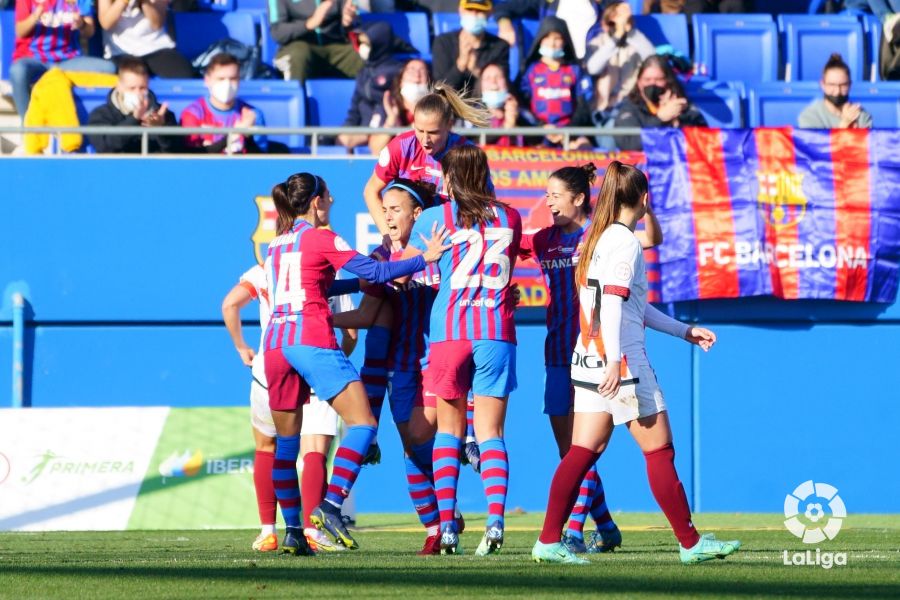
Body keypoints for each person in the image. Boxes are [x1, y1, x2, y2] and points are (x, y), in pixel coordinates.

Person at [531, 161, 741, 565]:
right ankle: (691, 543)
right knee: (659, 449)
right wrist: (615, 361)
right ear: (644, 199)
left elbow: (632, 307)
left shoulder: (599, 238)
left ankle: (547, 540)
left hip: (587, 358)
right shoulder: (624, 242)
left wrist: (684, 331)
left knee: (581, 451)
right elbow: (611, 303)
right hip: (620, 362)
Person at [263, 172, 450, 555]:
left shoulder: (277, 245)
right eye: (328, 197)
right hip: (310, 338)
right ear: (316, 202)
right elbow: (377, 271)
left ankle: (293, 532)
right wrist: (425, 259)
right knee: (363, 425)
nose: (332, 203)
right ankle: (331, 507)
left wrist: (359, 285)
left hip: (274, 345)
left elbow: (321, 284)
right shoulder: (322, 236)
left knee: (286, 444)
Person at [519, 163, 662, 554]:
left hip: (593, 352)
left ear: (580, 198)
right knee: (573, 453)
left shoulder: (598, 238)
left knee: (583, 450)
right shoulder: (543, 239)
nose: (547, 201)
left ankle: (574, 531)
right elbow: (496, 254)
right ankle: (606, 525)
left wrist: (646, 206)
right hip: (556, 352)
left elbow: (651, 238)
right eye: (546, 194)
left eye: (555, 194)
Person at [399, 145, 522, 556]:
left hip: (450, 330)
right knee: (491, 433)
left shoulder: (435, 218)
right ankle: (495, 522)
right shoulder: (510, 216)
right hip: (495, 331)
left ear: (451, 179)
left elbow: (405, 265)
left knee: (449, 431)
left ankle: (447, 527)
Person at [332, 179, 450, 555]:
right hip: (401, 362)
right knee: (412, 446)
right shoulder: (379, 257)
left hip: (438, 357)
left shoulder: (442, 249)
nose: (387, 215)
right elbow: (369, 312)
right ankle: (437, 527)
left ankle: (448, 506)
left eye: (395, 209)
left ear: (418, 213)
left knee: (423, 434)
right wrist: (319, 311)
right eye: (384, 209)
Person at [221, 255, 358, 553]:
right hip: (318, 366)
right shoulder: (328, 268)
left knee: (268, 446)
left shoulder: (264, 269)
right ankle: (312, 531)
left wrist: (241, 347)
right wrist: (336, 364)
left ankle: (270, 531)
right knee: (314, 452)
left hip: (271, 368)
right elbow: (351, 334)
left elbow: (230, 304)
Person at [362, 83, 493, 246]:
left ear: (449, 126)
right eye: (419, 130)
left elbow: (487, 203)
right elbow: (370, 191)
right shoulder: (401, 148)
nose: (425, 140)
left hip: (453, 240)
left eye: (433, 133)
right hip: (411, 241)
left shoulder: (467, 155)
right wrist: (389, 237)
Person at [10, 0, 116, 118]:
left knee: (109, 69)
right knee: (17, 71)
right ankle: (28, 127)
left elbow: (89, 32)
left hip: (68, 60)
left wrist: (81, 23)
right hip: (35, 59)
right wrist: (35, 16)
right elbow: (20, 31)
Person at [518, 16, 592, 147]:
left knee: (584, 147)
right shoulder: (530, 70)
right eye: (547, 38)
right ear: (540, 40)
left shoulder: (575, 70)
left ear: (564, 41)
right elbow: (521, 105)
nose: (552, 43)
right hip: (538, 134)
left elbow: (584, 106)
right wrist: (541, 127)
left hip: (570, 134)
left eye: (557, 38)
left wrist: (569, 131)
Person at [613, 54, 707, 151]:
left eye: (658, 80)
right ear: (639, 83)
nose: (652, 84)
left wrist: (676, 120)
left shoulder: (684, 106)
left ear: (668, 81)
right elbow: (628, 144)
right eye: (647, 80)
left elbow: (704, 142)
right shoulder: (629, 108)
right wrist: (660, 119)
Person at [87, 57, 180, 154]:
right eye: (132, 88)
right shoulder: (101, 114)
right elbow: (105, 146)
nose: (138, 93)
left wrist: (161, 129)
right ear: (119, 86)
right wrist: (134, 119)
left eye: (142, 88)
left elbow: (176, 152)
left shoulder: (162, 115)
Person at [180, 53, 268, 154]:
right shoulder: (192, 113)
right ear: (207, 80)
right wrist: (235, 134)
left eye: (233, 79)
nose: (227, 84)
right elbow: (190, 158)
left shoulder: (252, 114)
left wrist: (248, 136)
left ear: (239, 81)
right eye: (221, 79)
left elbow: (260, 161)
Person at [337, 22, 404, 153]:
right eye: (361, 43)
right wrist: (347, 128)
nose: (362, 48)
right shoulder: (363, 72)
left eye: (367, 44)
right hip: (365, 127)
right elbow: (354, 107)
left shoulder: (396, 71)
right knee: (341, 140)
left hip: (385, 126)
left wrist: (373, 130)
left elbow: (392, 103)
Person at [584, 0, 655, 118]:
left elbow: (652, 59)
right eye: (613, 22)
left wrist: (628, 30)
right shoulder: (597, 43)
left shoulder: (636, 41)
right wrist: (616, 36)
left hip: (634, 107)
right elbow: (593, 68)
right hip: (606, 108)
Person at [269, 0, 363, 82]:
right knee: (299, 55)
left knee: (367, 55)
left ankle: (368, 100)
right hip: (296, 46)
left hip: (335, 46)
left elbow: (353, 23)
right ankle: (297, 101)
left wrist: (348, 22)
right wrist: (309, 24)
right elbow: (277, 32)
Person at [97, 0, 194, 78]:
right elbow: (106, 23)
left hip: (156, 48)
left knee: (185, 73)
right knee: (131, 78)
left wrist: (145, 2)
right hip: (121, 52)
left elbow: (157, 24)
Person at [431, 0, 510, 93]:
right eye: (470, 9)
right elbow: (439, 90)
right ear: (461, 11)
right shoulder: (443, 42)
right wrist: (461, 65)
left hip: (483, 106)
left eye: (480, 11)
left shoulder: (500, 46)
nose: (474, 15)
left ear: (489, 13)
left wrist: (475, 70)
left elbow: (500, 87)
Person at [367, 58, 432, 155]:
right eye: (411, 70)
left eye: (422, 71)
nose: (417, 75)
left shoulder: (436, 109)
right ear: (400, 80)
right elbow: (375, 150)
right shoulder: (388, 106)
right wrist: (391, 119)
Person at [798, 53, 873, 129]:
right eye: (832, 85)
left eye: (843, 85)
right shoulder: (810, 115)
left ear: (850, 85)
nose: (837, 91)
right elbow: (815, 140)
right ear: (822, 85)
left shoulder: (861, 116)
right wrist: (845, 124)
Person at [474, 63, 524, 146]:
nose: (493, 82)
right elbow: (471, 140)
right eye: (487, 78)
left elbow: (538, 138)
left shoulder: (520, 112)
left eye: (498, 77)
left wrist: (516, 119)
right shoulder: (472, 114)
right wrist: (505, 127)